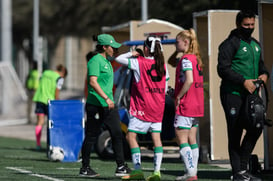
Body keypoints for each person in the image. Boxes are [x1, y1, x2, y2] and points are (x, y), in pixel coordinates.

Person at [217, 10, 269, 181]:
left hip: (251, 95)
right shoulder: (229, 44)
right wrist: (243, 81)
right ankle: (238, 173)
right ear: (238, 24)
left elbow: (262, 67)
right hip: (232, 93)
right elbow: (222, 69)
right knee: (235, 131)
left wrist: (264, 75)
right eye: (246, 25)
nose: (250, 28)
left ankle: (243, 167)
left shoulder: (255, 45)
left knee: (257, 126)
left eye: (252, 25)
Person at [115, 36, 169, 181]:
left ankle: (137, 170)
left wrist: (131, 53)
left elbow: (118, 58)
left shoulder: (139, 62)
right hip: (158, 108)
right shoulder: (163, 65)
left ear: (146, 48)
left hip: (143, 107)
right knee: (156, 139)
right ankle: (157, 172)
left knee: (130, 136)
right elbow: (164, 88)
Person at [79, 34, 131, 178]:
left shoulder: (108, 62)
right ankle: (85, 167)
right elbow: (93, 82)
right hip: (96, 105)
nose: (114, 49)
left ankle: (121, 166)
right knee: (91, 136)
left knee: (117, 133)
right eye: (112, 46)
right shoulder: (95, 61)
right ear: (104, 47)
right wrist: (107, 98)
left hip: (108, 106)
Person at [173, 29, 204, 181]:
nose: (175, 44)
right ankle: (192, 171)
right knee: (192, 139)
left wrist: (178, 96)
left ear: (185, 42)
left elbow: (189, 80)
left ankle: (191, 173)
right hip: (197, 104)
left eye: (177, 41)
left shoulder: (186, 59)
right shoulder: (195, 58)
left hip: (187, 104)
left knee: (181, 138)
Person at [33, 64, 68, 150]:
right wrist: (58, 103)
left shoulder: (45, 73)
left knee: (40, 122)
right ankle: (52, 144)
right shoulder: (59, 78)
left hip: (40, 99)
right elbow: (57, 93)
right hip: (50, 102)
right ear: (63, 72)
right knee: (52, 123)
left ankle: (38, 144)